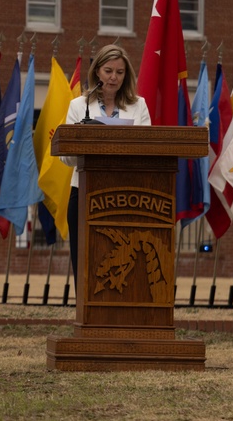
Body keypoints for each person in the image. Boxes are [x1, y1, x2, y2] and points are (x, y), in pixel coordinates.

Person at [62, 44, 151, 286]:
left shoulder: (138, 106)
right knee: (84, 260)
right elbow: (65, 157)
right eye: (108, 71)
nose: (114, 77)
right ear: (97, 73)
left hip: (123, 194)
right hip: (83, 192)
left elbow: (147, 150)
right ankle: (85, 317)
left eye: (120, 72)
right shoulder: (79, 106)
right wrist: (82, 141)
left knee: (123, 261)